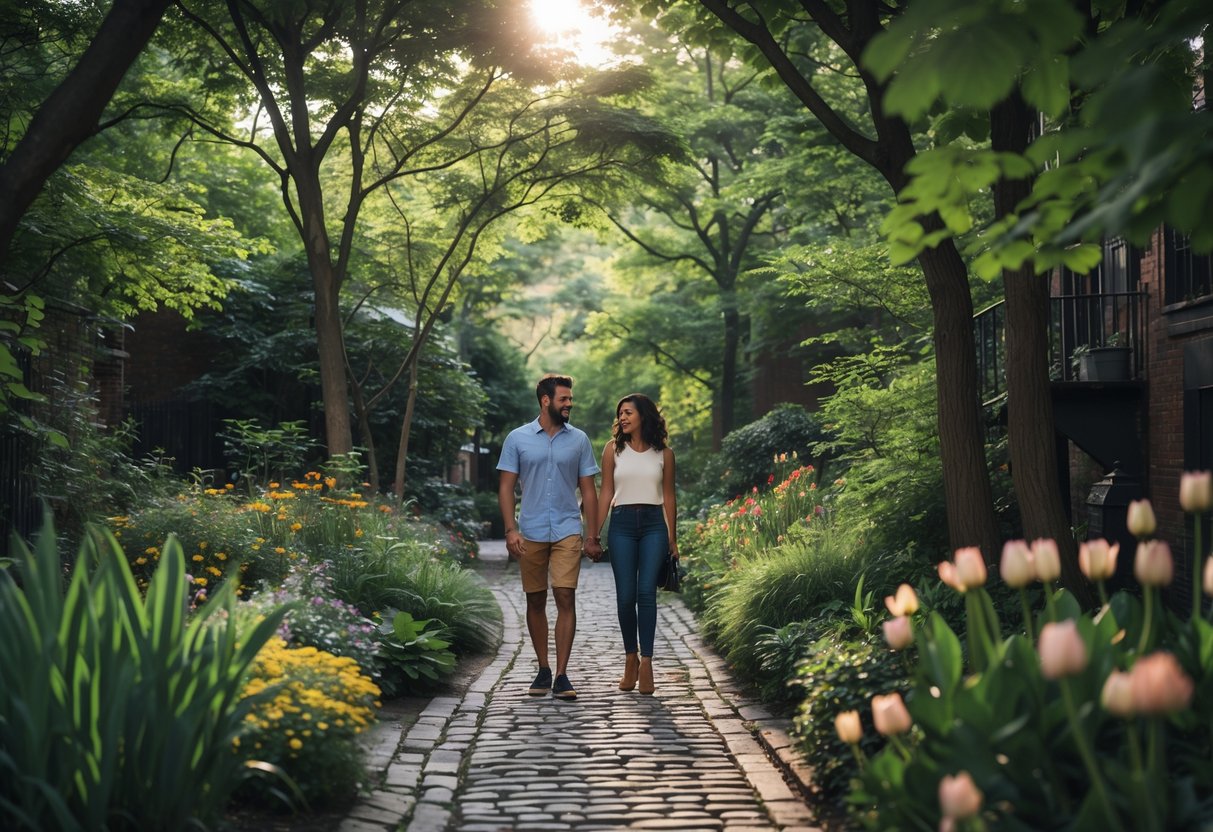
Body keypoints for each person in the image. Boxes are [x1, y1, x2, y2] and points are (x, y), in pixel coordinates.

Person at [498, 374, 602, 700]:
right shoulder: (517, 438)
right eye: (564, 399)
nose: (569, 403)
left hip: (567, 528)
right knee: (535, 599)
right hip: (529, 530)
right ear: (546, 400)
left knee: (565, 595)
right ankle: (543, 668)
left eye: (570, 399)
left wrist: (592, 535)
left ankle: (562, 675)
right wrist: (510, 529)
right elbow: (505, 487)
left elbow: (589, 490)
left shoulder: (580, 440)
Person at [594, 393, 677, 695]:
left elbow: (669, 497)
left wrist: (673, 537)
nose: (623, 418)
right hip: (622, 525)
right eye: (621, 414)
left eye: (628, 412)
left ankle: (647, 663)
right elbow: (605, 493)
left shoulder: (664, 454)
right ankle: (631, 657)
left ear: (643, 415)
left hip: (654, 524)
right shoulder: (612, 450)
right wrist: (594, 532)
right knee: (626, 596)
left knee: (646, 593)